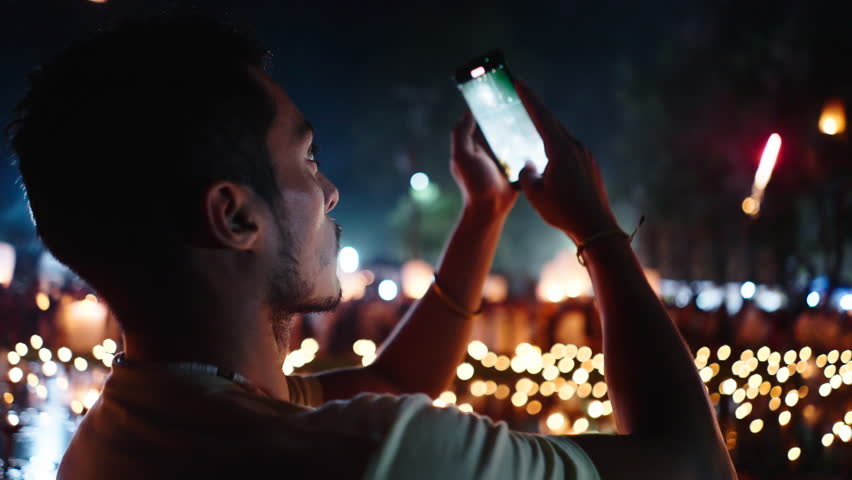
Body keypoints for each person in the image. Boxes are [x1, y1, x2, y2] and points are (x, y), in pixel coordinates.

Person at [5, 13, 736, 480]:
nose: (330, 194)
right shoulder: (369, 456)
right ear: (232, 216)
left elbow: (386, 381)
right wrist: (597, 229)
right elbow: (695, 466)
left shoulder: (127, 432)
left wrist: (483, 215)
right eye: (309, 160)